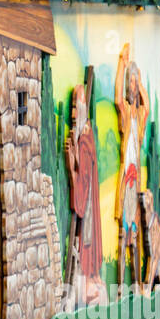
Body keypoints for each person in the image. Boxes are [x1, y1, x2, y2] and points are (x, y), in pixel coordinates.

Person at [64, 81, 104, 306]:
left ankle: (89, 285)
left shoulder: (85, 139)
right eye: (71, 106)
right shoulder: (84, 137)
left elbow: (83, 188)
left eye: (75, 107)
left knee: (83, 246)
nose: (71, 113)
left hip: (87, 214)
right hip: (87, 209)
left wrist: (71, 168)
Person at [114, 44, 149, 290]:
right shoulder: (126, 112)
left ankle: (136, 285)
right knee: (122, 235)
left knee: (135, 236)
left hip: (137, 180)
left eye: (136, 83)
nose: (134, 87)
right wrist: (122, 65)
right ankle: (120, 288)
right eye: (131, 83)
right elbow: (118, 98)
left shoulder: (140, 115)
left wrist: (139, 76)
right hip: (126, 176)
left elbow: (147, 105)